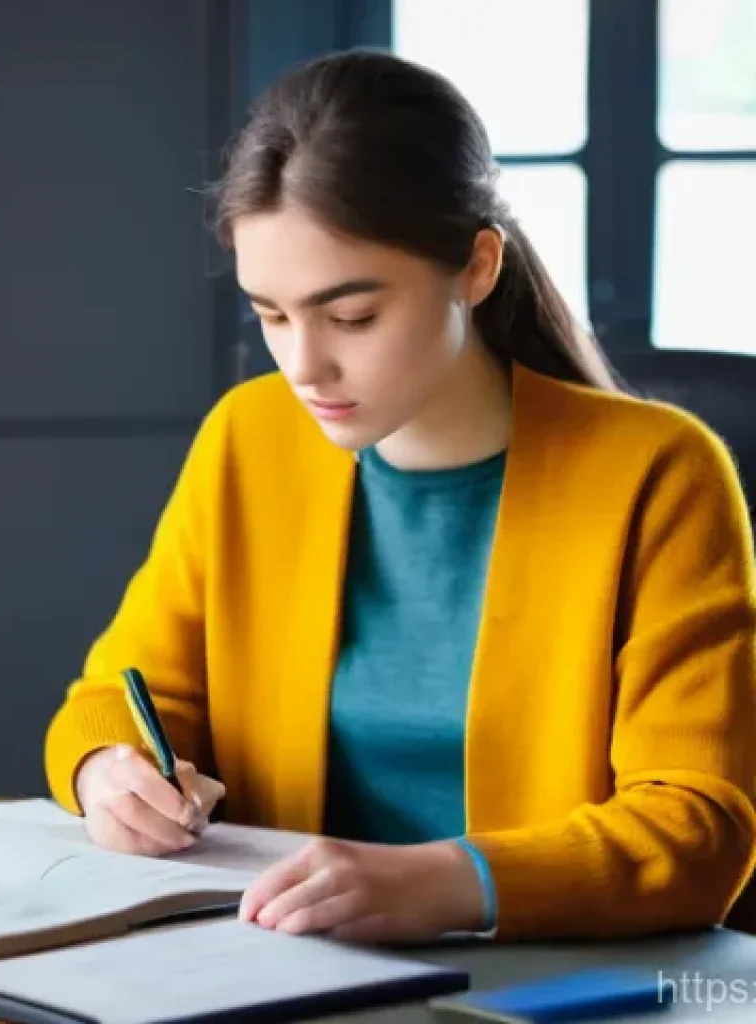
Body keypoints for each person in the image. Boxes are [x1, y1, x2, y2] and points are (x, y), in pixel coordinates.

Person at [44, 49, 756, 943]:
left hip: (554, 977)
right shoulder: (247, 440)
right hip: (278, 962)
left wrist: (448, 883)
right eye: (271, 314)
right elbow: (122, 693)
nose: (304, 366)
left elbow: (697, 827)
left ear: (477, 268)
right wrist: (109, 770)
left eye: (352, 317)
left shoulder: (659, 474)